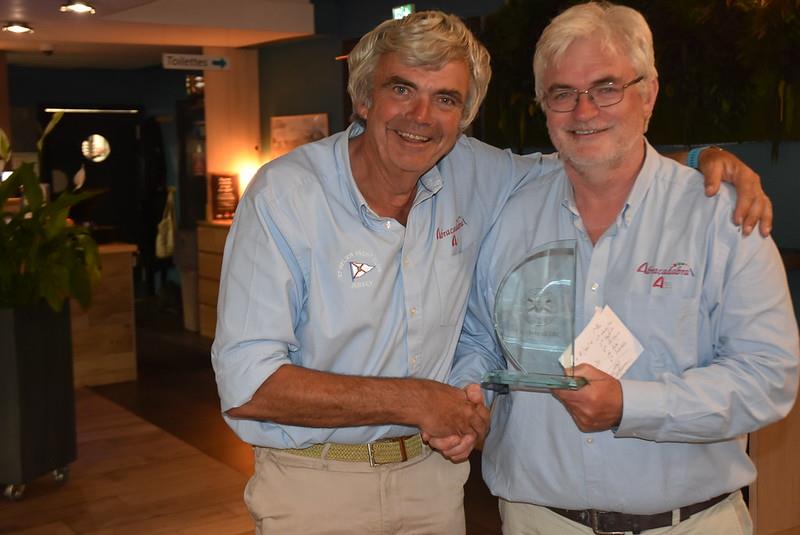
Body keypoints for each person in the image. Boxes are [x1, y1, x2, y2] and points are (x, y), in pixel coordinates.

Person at [211, 10, 771, 535]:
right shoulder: (287, 195)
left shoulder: (477, 173)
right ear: (363, 97)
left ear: (465, 116)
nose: (421, 117)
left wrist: (702, 161)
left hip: (433, 480)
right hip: (316, 481)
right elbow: (247, 383)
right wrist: (416, 400)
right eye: (401, 88)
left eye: (446, 98)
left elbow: (594, 152)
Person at [450, 3, 799, 534]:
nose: (583, 111)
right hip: (538, 521)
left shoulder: (721, 216)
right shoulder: (509, 212)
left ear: (649, 94)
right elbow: (480, 337)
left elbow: (768, 379)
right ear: (544, 106)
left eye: (606, 87)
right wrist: (465, 393)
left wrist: (630, 405)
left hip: (689, 524)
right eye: (562, 93)